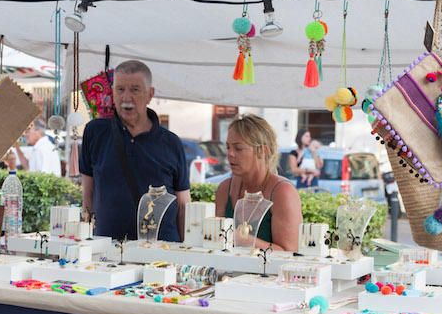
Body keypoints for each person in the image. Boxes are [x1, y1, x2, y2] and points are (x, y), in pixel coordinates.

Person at [79, 60, 190, 241]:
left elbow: (183, 204)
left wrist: (187, 252)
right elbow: (87, 195)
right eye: (120, 89)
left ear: (150, 94)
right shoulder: (95, 132)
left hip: (162, 251)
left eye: (135, 89)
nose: (126, 97)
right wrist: (86, 241)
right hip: (108, 249)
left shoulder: (171, 143)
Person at [215, 114, 301, 251]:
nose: (230, 154)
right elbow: (215, 244)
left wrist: (243, 240)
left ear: (263, 151)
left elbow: (290, 252)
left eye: (238, 148)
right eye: (228, 147)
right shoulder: (225, 189)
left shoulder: (282, 192)